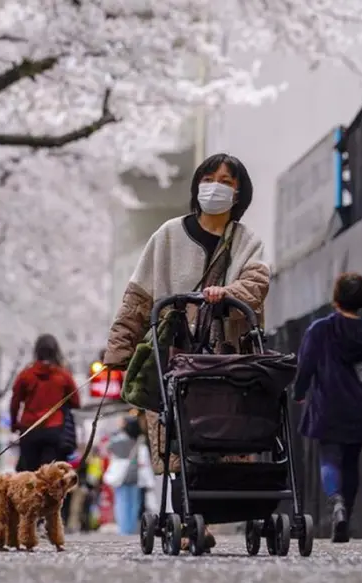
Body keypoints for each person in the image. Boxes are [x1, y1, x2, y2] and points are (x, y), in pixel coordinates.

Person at [103, 153, 271, 550]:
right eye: (210, 177)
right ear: (197, 184)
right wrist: (118, 351)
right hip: (175, 355)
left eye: (227, 180)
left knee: (223, 439)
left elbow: (257, 284)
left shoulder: (248, 242)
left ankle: (203, 517)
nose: (216, 185)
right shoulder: (166, 236)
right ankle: (190, 520)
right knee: (179, 439)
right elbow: (139, 298)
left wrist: (226, 295)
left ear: (239, 191)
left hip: (227, 359)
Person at [293, 272, 362, 543]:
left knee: (329, 458)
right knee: (351, 463)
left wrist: (299, 392)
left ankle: (336, 503)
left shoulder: (320, 329)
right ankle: (346, 510)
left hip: (327, 404)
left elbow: (306, 365)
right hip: (359, 407)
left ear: (336, 298)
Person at [10, 334, 81, 471]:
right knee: (51, 477)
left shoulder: (26, 375)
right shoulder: (63, 376)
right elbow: (76, 402)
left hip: (29, 430)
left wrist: (14, 424)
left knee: (30, 476)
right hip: (54, 431)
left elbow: (15, 402)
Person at [105, 416, 151, 535]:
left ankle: (123, 528)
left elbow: (108, 448)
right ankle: (130, 527)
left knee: (121, 502)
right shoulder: (139, 441)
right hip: (135, 475)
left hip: (121, 475)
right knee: (134, 503)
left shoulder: (117, 440)